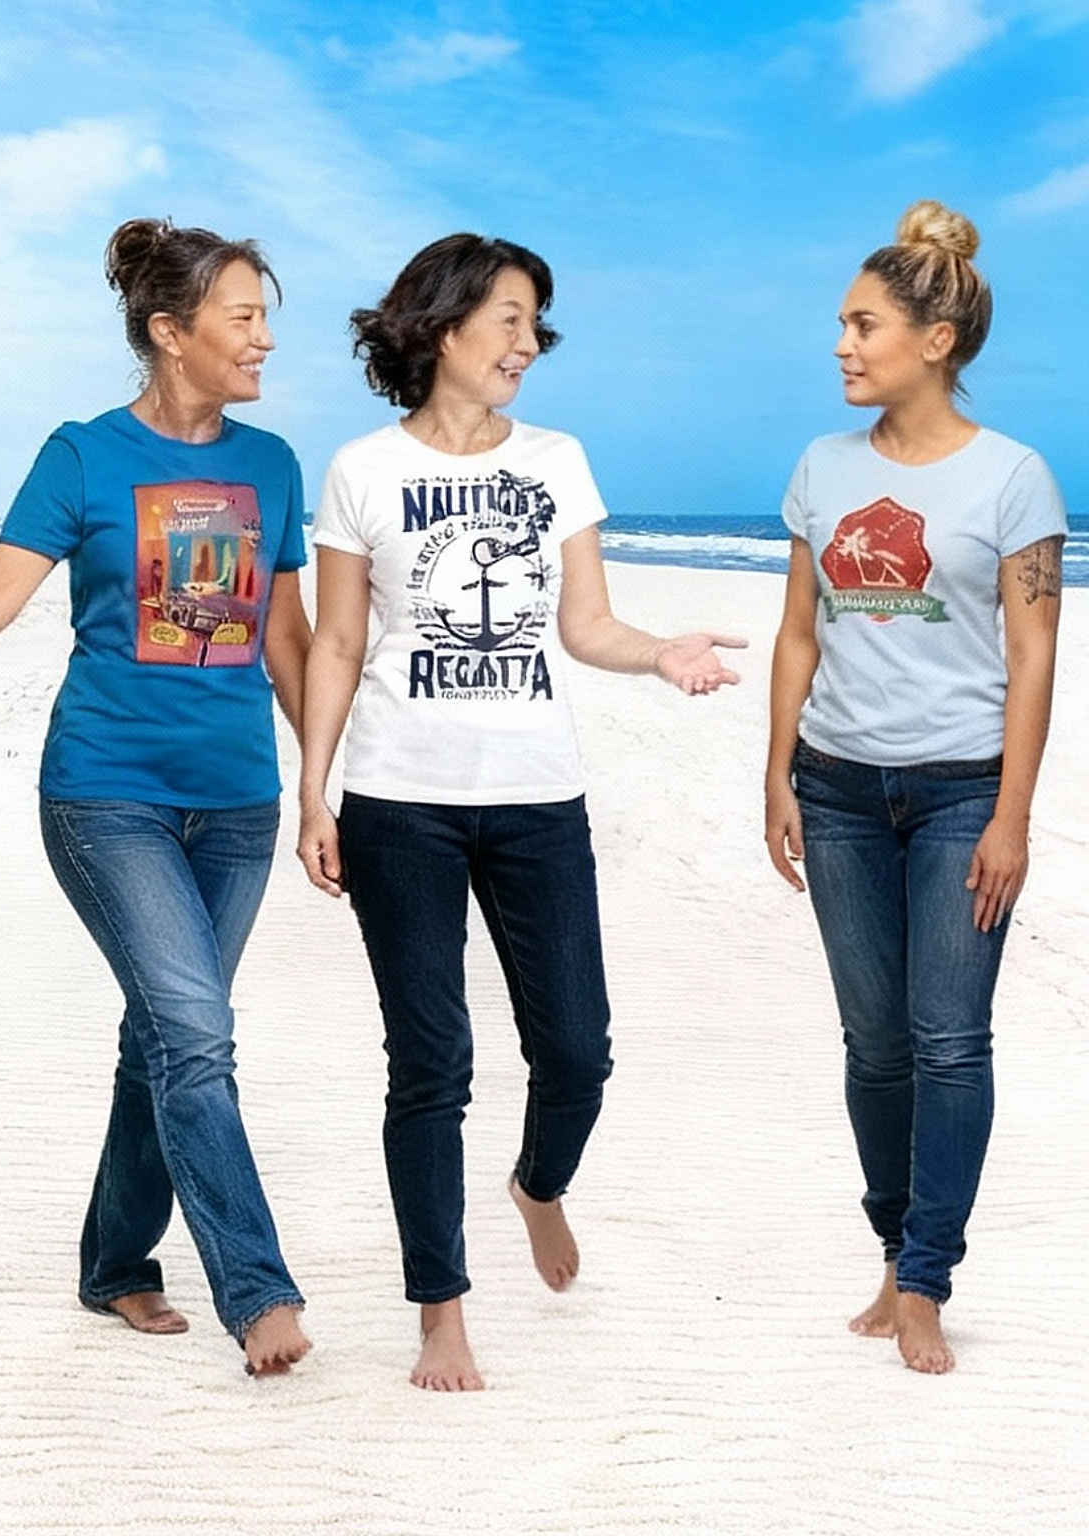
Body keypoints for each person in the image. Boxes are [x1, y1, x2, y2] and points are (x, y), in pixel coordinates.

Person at [0, 218, 314, 1376]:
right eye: (242, 316)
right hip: (107, 796)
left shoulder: (272, 466)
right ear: (171, 332)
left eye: (265, 315)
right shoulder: (83, 456)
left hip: (239, 807)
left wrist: (329, 778)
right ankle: (259, 1290)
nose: (264, 337)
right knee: (195, 1032)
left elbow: (287, 636)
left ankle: (115, 1264)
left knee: (165, 1040)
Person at [296, 233, 743, 1391]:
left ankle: (537, 1184)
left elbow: (586, 626)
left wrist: (661, 655)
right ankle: (441, 1309)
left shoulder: (557, 461)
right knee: (430, 1063)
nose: (527, 343)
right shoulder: (361, 470)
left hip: (538, 798)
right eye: (508, 318)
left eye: (535, 322)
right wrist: (315, 788)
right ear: (442, 327)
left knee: (578, 1053)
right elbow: (340, 639)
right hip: (399, 798)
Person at [765, 201, 1064, 1375]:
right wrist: (779, 774)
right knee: (873, 1044)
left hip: (958, 797)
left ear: (935, 340)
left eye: (863, 323)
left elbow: (1036, 655)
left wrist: (1011, 816)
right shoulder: (818, 468)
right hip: (836, 788)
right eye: (841, 323)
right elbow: (798, 633)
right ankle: (891, 1248)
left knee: (950, 1040)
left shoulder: (1015, 478)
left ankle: (928, 1277)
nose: (842, 344)